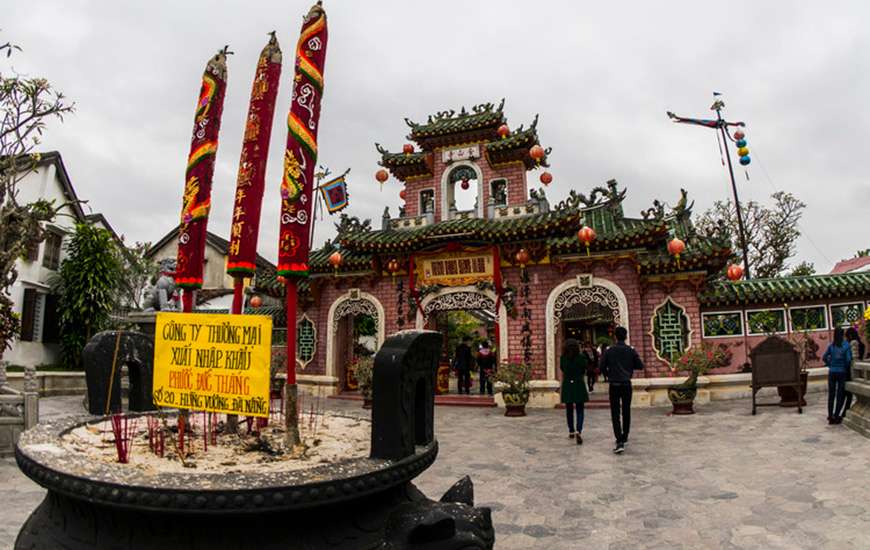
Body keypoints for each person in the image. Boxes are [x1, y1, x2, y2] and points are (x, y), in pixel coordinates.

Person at [600, 326, 644, 454]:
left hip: (614, 384)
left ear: (615, 336)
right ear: (625, 336)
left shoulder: (609, 350)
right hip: (626, 383)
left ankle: (619, 439)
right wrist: (629, 368)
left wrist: (608, 375)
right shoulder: (630, 350)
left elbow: (601, 366)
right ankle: (625, 436)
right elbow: (640, 366)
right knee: (626, 410)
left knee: (615, 412)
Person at [560, 339, 589, 444]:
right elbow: (584, 369)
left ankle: (571, 430)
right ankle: (579, 430)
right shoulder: (581, 357)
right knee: (580, 409)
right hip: (578, 383)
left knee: (569, 409)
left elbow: (562, 369)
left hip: (568, 383)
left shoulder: (563, 358)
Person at [823, 327, 853, 424]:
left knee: (831, 395)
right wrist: (845, 367)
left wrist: (829, 364)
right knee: (840, 395)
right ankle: (836, 416)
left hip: (832, 372)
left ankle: (830, 416)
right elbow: (848, 360)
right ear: (843, 334)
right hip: (842, 372)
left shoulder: (831, 345)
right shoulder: (846, 345)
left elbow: (824, 357)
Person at [843, 327, 865, 414]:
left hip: (851, 371)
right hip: (859, 371)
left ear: (850, 336)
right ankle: (845, 410)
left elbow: (851, 359)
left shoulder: (851, 344)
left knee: (847, 393)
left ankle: (845, 411)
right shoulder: (861, 344)